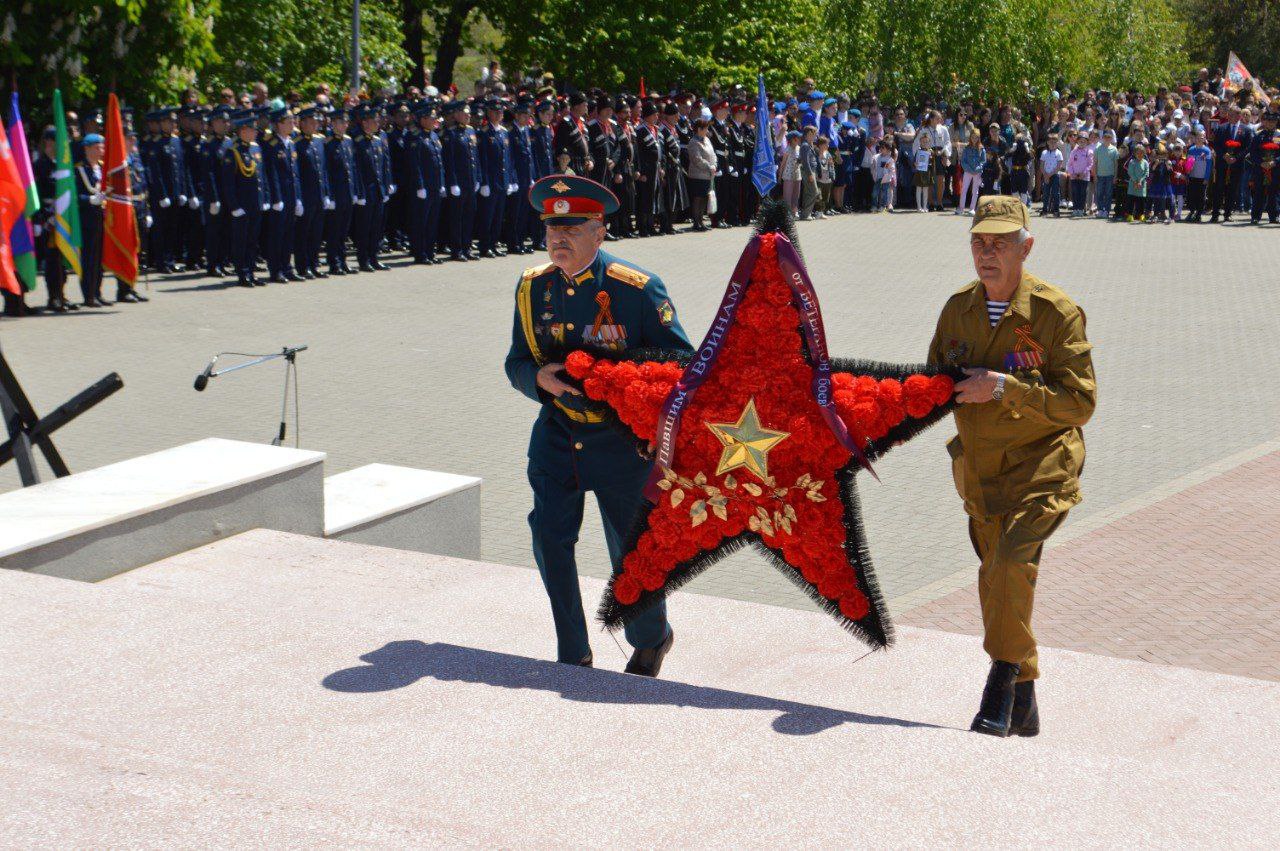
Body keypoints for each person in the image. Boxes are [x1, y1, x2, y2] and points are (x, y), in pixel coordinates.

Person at [504, 174, 692, 674]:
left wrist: (622, 384)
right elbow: (516, 362)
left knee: (629, 549)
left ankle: (652, 637)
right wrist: (537, 379)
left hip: (620, 442)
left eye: (572, 228)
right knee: (549, 537)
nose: (557, 240)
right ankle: (574, 652)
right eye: (551, 229)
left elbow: (682, 366)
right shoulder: (532, 288)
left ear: (600, 232)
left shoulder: (636, 289)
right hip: (559, 433)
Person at [928, 195, 1096, 737]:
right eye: (979, 241)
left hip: (1042, 465)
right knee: (994, 574)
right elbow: (932, 381)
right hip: (981, 469)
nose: (988, 252)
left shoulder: (1054, 313)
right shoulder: (959, 308)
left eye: (1001, 242)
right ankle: (1024, 699)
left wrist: (1003, 388)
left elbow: (1080, 403)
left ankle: (1000, 682)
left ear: (1027, 247)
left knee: (1008, 562)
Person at [220, 110, 270, 288]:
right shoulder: (232, 152)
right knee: (241, 241)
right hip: (242, 205)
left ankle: (251, 271)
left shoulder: (256, 148)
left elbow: (262, 177)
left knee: (252, 241)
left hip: (255, 203)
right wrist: (234, 206)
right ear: (242, 131)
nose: (255, 132)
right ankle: (242, 273)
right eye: (252, 130)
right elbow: (228, 183)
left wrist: (265, 198)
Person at [263, 107, 304, 282]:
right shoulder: (271, 145)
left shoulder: (291, 143)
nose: (293, 124)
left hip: (291, 195)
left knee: (288, 234)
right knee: (277, 235)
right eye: (289, 121)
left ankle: (287, 267)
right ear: (279, 124)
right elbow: (271, 175)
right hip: (278, 198)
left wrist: (298, 198)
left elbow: (295, 174)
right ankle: (276, 269)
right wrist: (277, 198)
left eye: (293, 121)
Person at [352, 104, 393, 271]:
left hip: (378, 191)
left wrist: (386, 185)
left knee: (376, 227)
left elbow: (384, 166)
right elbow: (357, 170)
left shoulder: (376, 141)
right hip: (366, 191)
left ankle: (374, 257)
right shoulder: (358, 142)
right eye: (374, 120)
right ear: (365, 123)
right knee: (364, 227)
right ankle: (363, 259)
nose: (378, 123)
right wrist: (359, 192)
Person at [324, 107, 362, 276]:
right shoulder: (328, 144)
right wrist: (329, 196)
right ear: (332, 124)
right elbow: (326, 172)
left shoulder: (348, 141)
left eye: (346, 122)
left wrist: (355, 191)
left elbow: (353, 168)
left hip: (347, 192)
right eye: (341, 122)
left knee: (344, 231)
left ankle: (343, 260)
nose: (344, 125)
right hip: (336, 194)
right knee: (334, 230)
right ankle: (334, 262)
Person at [294, 106, 332, 279]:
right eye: (311, 121)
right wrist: (298, 199)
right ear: (302, 124)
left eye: (316, 121)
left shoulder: (319, 141)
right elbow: (297, 174)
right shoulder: (297, 144)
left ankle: (314, 263)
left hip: (319, 194)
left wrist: (326, 194)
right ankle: (303, 266)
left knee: (317, 233)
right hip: (306, 195)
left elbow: (323, 170)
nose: (315, 124)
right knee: (303, 233)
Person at [441, 99, 480, 262]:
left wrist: (478, 177)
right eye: (465, 113)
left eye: (468, 113)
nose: (468, 115)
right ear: (456, 115)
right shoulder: (450, 134)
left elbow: (475, 158)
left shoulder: (471, 131)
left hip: (471, 180)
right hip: (458, 182)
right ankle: (457, 249)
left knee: (469, 215)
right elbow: (449, 162)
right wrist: (453, 183)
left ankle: (466, 246)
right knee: (457, 217)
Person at [408, 99, 446, 264]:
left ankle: (430, 252)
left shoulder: (434, 136)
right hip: (423, 187)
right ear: (422, 119)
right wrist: (420, 186)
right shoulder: (415, 138)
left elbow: (440, 163)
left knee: (432, 221)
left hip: (436, 185)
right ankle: (420, 253)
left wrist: (443, 183)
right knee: (421, 221)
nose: (434, 120)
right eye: (431, 118)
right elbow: (415, 165)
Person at [75, 133, 110, 307]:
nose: (101, 150)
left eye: (102, 147)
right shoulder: (80, 169)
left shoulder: (103, 168)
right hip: (87, 219)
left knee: (100, 258)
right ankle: (88, 295)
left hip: (103, 217)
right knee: (89, 258)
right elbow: (74, 196)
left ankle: (97, 291)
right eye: (97, 147)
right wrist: (89, 200)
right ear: (87, 149)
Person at [477, 98, 514, 258]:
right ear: (489, 112)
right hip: (490, 182)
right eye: (495, 111)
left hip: (502, 181)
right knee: (487, 216)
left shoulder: (504, 132)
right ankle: (485, 246)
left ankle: (494, 243)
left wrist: (511, 180)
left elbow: (508, 159)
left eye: (501, 111)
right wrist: (484, 182)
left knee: (498, 216)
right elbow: (482, 159)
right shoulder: (485, 133)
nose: (499, 114)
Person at [685, 118, 716, 231]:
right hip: (697, 175)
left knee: (704, 198)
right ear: (699, 129)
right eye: (706, 128)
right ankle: (696, 222)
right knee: (697, 199)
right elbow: (697, 159)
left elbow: (713, 154)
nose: (707, 130)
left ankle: (701, 221)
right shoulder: (693, 142)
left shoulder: (706, 140)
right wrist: (709, 166)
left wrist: (714, 165)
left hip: (707, 175)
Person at [1185, 129, 1213, 222]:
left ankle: (1199, 213)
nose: (1199, 139)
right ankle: (1192, 211)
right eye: (1197, 137)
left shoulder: (1207, 150)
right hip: (1193, 177)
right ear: (1194, 139)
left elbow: (1209, 165)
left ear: (1204, 138)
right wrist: (1187, 175)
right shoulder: (1191, 150)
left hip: (1202, 178)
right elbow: (1188, 165)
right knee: (1192, 195)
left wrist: (1206, 178)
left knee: (1201, 196)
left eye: (1202, 137)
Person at [1093, 130, 1120, 219]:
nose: (1107, 139)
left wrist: (1115, 176)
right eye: (1105, 137)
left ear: (1111, 138)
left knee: (1108, 194)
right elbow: (1095, 163)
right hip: (1100, 175)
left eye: (1109, 137)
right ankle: (1100, 209)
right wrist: (1095, 175)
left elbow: (1116, 164)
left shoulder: (1114, 149)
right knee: (1099, 193)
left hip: (1110, 175)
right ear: (1102, 138)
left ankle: (1107, 210)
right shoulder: (1098, 148)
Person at [958, 131, 986, 215]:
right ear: (970, 137)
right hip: (968, 172)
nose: (974, 139)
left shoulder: (981, 149)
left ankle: (972, 208)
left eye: (976, 137)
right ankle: (961, 208)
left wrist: (978, 168)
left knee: (975, 190)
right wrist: (969, 169)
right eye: (973, 137)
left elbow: (983, 161)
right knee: (964, 190)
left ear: (979, 138)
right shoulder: (967, 148)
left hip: (977, 172)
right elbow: (963, 161)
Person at [1126, 143, 1150, 222]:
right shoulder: (1132, 162)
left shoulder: (1145, 162)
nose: (1139, 155)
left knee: (1141, 202)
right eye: (1138, 153)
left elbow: (1146, 173)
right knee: (1131, 201)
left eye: (1141, 153)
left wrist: (1140, 181)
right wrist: (1135, 181)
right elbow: (1130, 172)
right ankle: (1130, 215)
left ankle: (1141, 215)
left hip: (1142, 185)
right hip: (1133, 185)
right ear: (1135, 153)